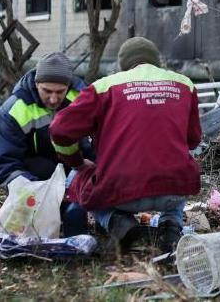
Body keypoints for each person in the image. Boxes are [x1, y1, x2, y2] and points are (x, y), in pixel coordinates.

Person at [50, 37, 201, 253]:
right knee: (179, 166)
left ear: (124, 64)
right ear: (155, 62)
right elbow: (194, 139)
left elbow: (59, 129)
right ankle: (171, 229)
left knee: (76, 178)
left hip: (121, 192)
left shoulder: (104, 87)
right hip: (173, 192)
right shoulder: (185, 85)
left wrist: (75, 161)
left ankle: (118, 222)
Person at [0, 51, 90, 236]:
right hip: (34, 179)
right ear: (36, 84)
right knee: (42, 168)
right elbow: (4, 164)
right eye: (47, 91)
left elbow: (93, 143)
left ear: (68, 86)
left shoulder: (81, 99)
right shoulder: (13, 110)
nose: (53, 99)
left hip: (73, 169)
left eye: (60, 92)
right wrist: (40, 194)